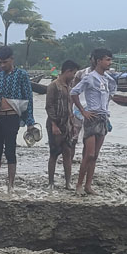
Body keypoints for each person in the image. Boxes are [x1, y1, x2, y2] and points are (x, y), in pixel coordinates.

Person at [0, 45, 38, 192]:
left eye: (5, 62)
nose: (2, 65)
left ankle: (11, 184)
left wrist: (30, 121)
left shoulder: (21, 75)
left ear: (12, 60)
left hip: (12, 118)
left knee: (10, 151)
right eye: (0, 63)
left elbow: (29, 98)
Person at [70, 48, 117, 196]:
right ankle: (79, 184)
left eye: (110, 60)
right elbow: (74, 92)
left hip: (103, 117)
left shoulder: (108, 79)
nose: (109, 62)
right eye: (107, 59)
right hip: (91, 117)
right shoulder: (89, 77)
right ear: (98, 61)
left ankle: (88, 185)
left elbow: (112, 93)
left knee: (95, 155)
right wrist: (83, 111)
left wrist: (106, 109)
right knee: (89, 154)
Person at [45, 59, 82, 189]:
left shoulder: (69, 87)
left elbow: (69, 107)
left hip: (67, 125)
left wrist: (72, 124)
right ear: (67, 71)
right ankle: (50, 182)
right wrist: (54, 124)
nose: (73, 77)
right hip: (55, 124)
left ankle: (67, 183)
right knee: (54, 153)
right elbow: (49, 107)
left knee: (67, 152)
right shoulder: (53, 86)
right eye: (73, 74)